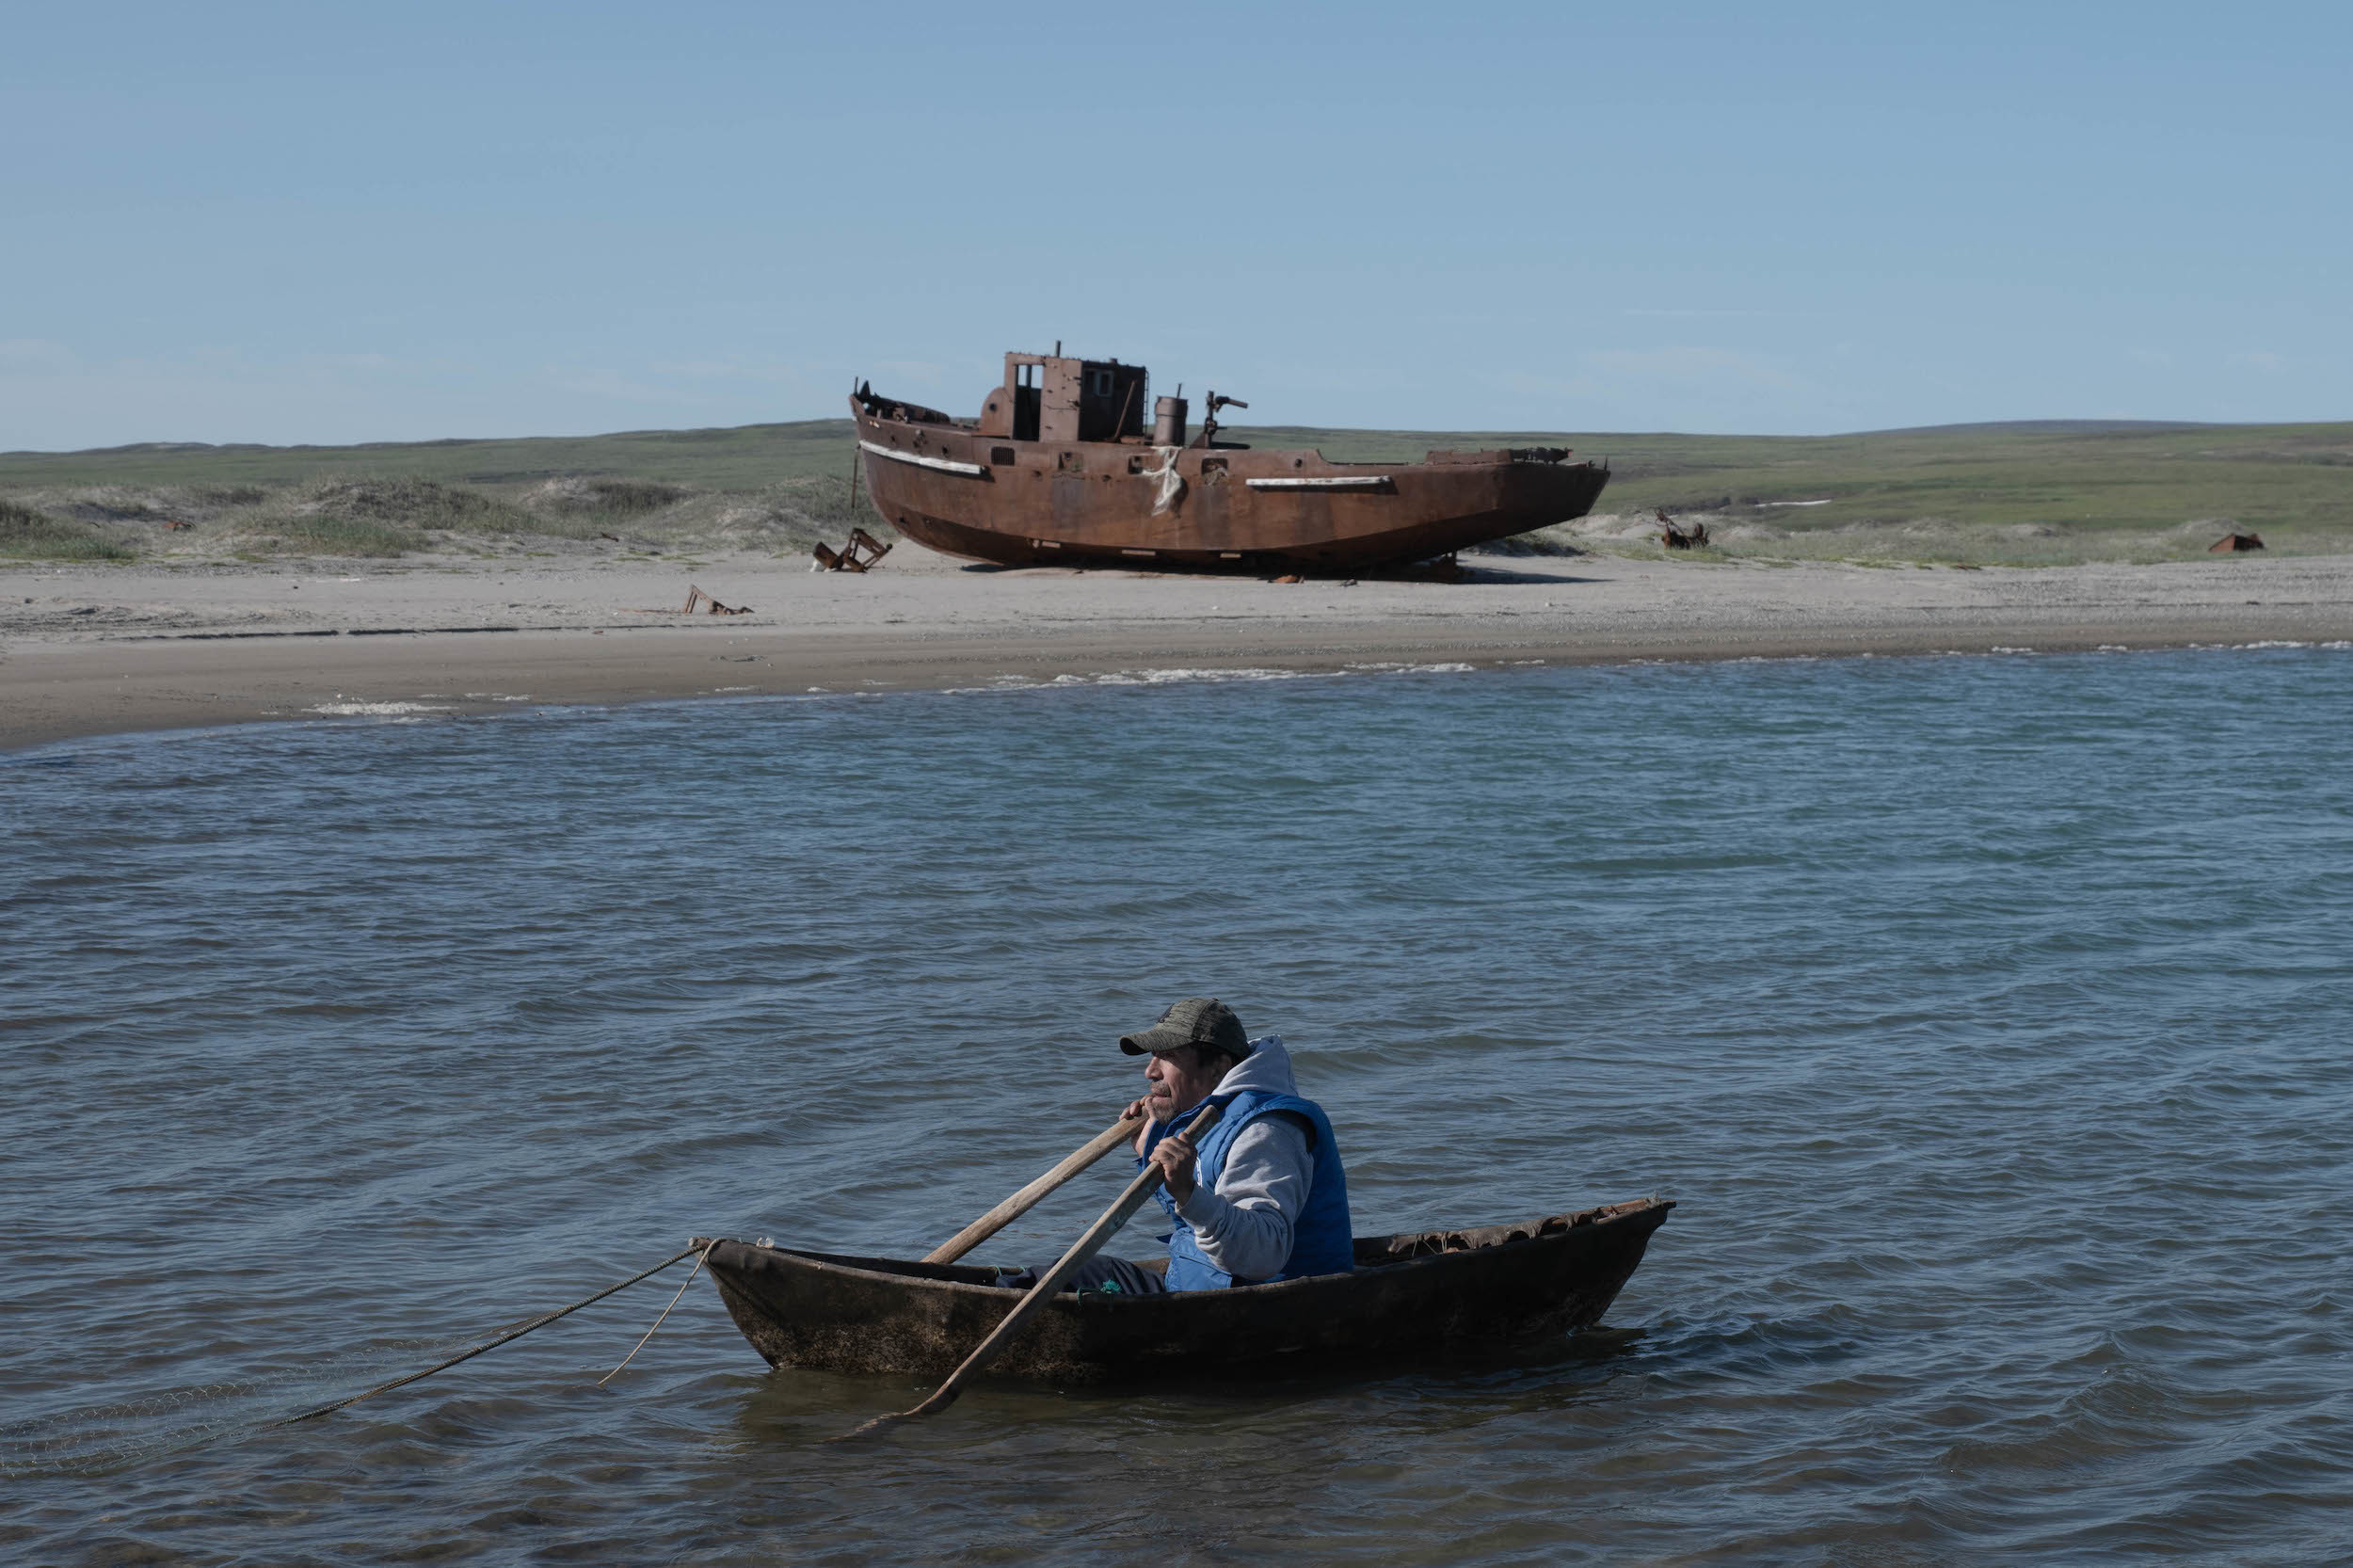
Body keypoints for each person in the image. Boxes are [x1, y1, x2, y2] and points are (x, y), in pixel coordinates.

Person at [1000, 997, 1353, 1296]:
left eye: (1166, 1058)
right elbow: (1198, 1219)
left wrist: (1187, 1191)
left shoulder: (1266, 1130)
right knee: (1053, 1277)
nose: (1150, 1072)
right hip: (1198, 1286)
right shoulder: (1209, 1117)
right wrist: (1150, 1145)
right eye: (1152, 1056)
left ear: (1218, 1067)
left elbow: (1262, 1256)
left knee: (1064, 1291)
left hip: (1259, 1304)